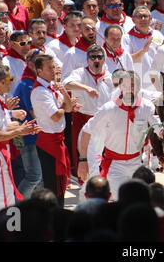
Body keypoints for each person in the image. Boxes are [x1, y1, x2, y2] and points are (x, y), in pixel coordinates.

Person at [78, 71, 162, 200]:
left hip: (138, 162)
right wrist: (83, 160)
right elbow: (87, 131)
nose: (129, 89)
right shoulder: (109, 108)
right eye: (126, 85)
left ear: (139, 88)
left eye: (133, 85)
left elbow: (158, 128)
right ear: (121, 86)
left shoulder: (147, 107)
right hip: (115, 165)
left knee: (141, 200)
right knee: (120, 200)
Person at [0, 65, 39, 216]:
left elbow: (4, 126)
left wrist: (23, 127)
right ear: (1, 82)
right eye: (9, 79)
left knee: (7, 198)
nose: (12, 82)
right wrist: (20, 131)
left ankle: (11, 232)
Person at [31, 54, 80, 207]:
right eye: (50, 68)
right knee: (53, 184)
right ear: (39, 71)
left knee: (60, 183)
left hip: (57, 140)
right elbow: (56, 115)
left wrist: (64, 95)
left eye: (54, 67)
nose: (54, 71)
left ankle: (58, 211)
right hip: (49, 142)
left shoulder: (51, 87)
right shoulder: (40, 91)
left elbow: (67, 107)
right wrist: (66, 106)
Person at [64, 45, 114, 177]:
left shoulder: (110, 78)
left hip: (103, 120)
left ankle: (102, 181)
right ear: (88, 59)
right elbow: (66, 83)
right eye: (93, 57)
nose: (96, 60)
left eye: (99, 57)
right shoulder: (80, 72)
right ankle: (83, 180)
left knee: (103, 154)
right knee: (82, 151)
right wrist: (86, 88)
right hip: (83, 117)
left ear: (104, 60)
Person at [12, 48, 44, 199]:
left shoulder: (32, 82)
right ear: (29, 63)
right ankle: (19, 206)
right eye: (38, 61)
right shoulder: (28, 84)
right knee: (34, 175)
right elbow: (35, 113)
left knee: (38, 176)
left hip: (27, 135)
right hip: (26, 137)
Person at [122, 7, 164, 81]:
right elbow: (126, 60)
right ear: (133, 20)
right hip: (138, 82)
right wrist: (143, 50)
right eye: (139, 16)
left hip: (157, 81)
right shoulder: (126, 38)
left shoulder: (158, 34)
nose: (143, 19)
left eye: (145, 16)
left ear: (150, 18)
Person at [3, 30, 31, 95]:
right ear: (12, 44)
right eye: (22, 43)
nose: (27, 46)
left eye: (29, 42)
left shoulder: (30, 59)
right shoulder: (7, 63)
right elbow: (6, 86)